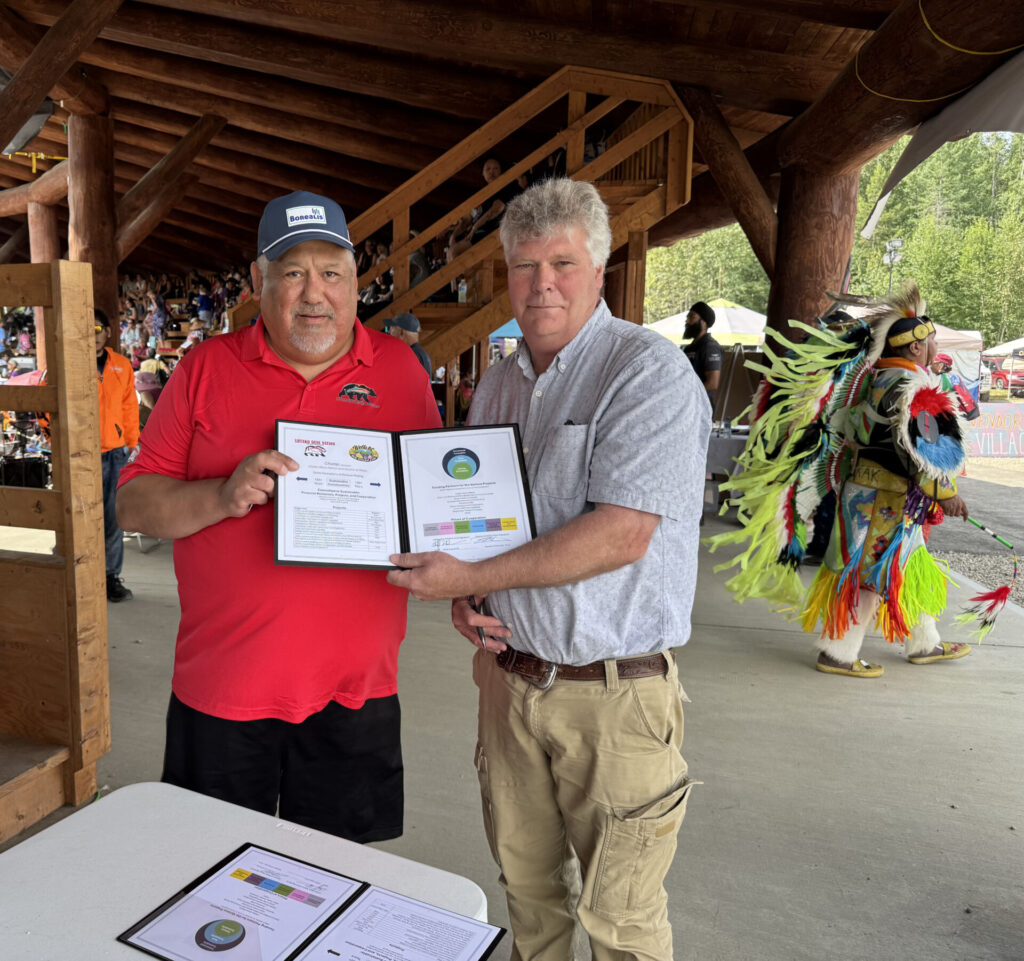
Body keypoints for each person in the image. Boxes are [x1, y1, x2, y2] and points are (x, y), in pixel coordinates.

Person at [386, 178, 710, 960]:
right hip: (510, 683)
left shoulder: (647, 372)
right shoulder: (500, 382)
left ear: (598, 268)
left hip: (614, 698)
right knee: (529, 899)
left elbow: (620, 535)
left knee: (622, 924)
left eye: (562, 263)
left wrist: (470, 575)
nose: (543, 284)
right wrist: (472, 590)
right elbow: (477, 520)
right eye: (525, 266)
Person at [116, 190, 441, 842]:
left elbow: (433, 503)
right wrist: (221, 495)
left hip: (357, 691)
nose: (314, 293)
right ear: (259, 279)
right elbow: (132, 502)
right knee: (209, 878)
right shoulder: (205, 367)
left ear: (355, 280)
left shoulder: (400, 371)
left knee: (339, 882)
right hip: (223, 690)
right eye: (293, 273)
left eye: (331, 273)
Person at [805, 290, 971, 677]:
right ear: (915, 346)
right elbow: (920, 450)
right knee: (872, 572)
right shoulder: (911, 386)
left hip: (872, 491)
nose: (935, 347)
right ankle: (838, 653)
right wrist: (946, 494)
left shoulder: (879, 379)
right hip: (886, 499)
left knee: (909, 565)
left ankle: (924, 643)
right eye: (932, 340)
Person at [95, 309, 140, 602]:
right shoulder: (70, 362)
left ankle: (110, 577)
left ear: (108, 332)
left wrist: (131, 442)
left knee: (113, 517)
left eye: (98, 328)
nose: (93, 334)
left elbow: (129, 407)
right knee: (81, 516)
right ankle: (79, 574)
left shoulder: (122, 365)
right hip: (80, 455)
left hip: (115, 453)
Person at [682, 301, 723, 406]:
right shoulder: (689, 348)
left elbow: (712, 384)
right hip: (687, 403)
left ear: (704, 323)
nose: (687, 321)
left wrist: (688, 397)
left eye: (692, 317)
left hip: (700, 404)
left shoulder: (710, 347)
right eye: (687, 317)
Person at [385, 312, 431, 377]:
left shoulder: (411, 356)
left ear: (401, 333)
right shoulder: (418, 353)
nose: (389, 332)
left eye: (392, 328)